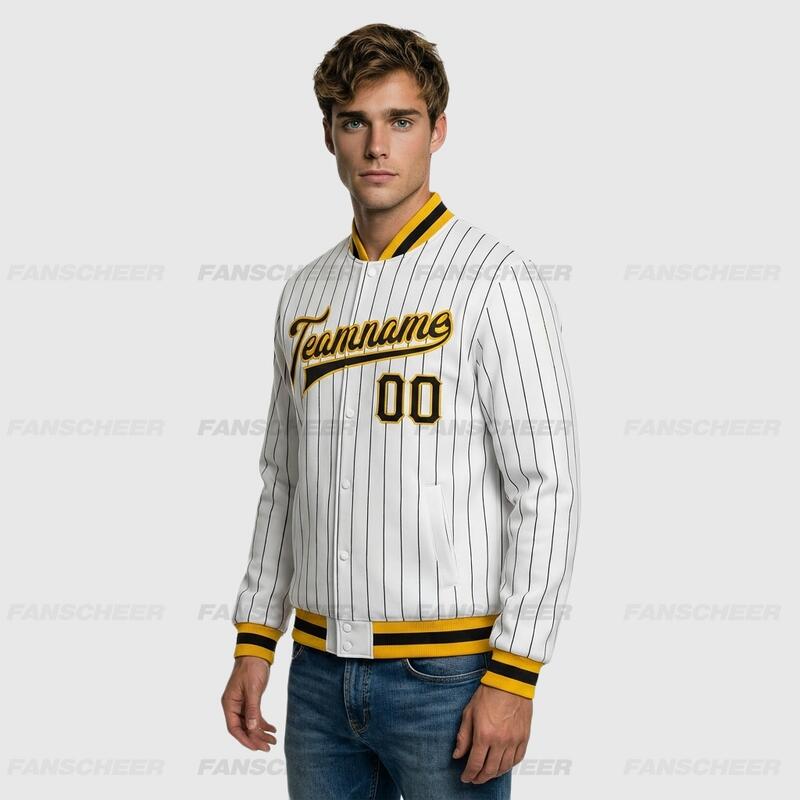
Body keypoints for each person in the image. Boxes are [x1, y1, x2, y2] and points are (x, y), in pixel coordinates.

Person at [221, 22, 581, 799]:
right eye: (355, 121)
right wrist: (256, 637)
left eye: (401, 120)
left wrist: (515, 674)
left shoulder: (497, 281)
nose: (377, 145)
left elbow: (546, 487)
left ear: (438, 130)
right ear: (329, 134)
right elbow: (283, 481)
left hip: (447, 678)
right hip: (317, 675)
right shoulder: (304, 293)